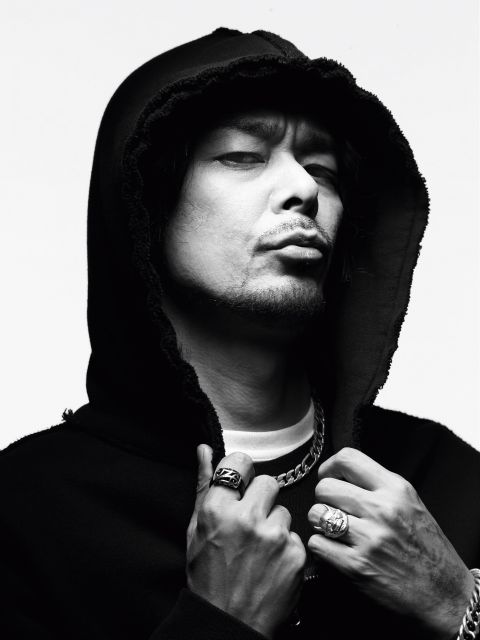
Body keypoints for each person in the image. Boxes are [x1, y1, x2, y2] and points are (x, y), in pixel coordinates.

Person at [1, 26, 479, 640]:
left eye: (323, 169)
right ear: (146, 202)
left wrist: (457, 600)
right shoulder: (29, 508)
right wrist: (220, 621)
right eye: (243, 157)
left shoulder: (442, 477)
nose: (303, 189)